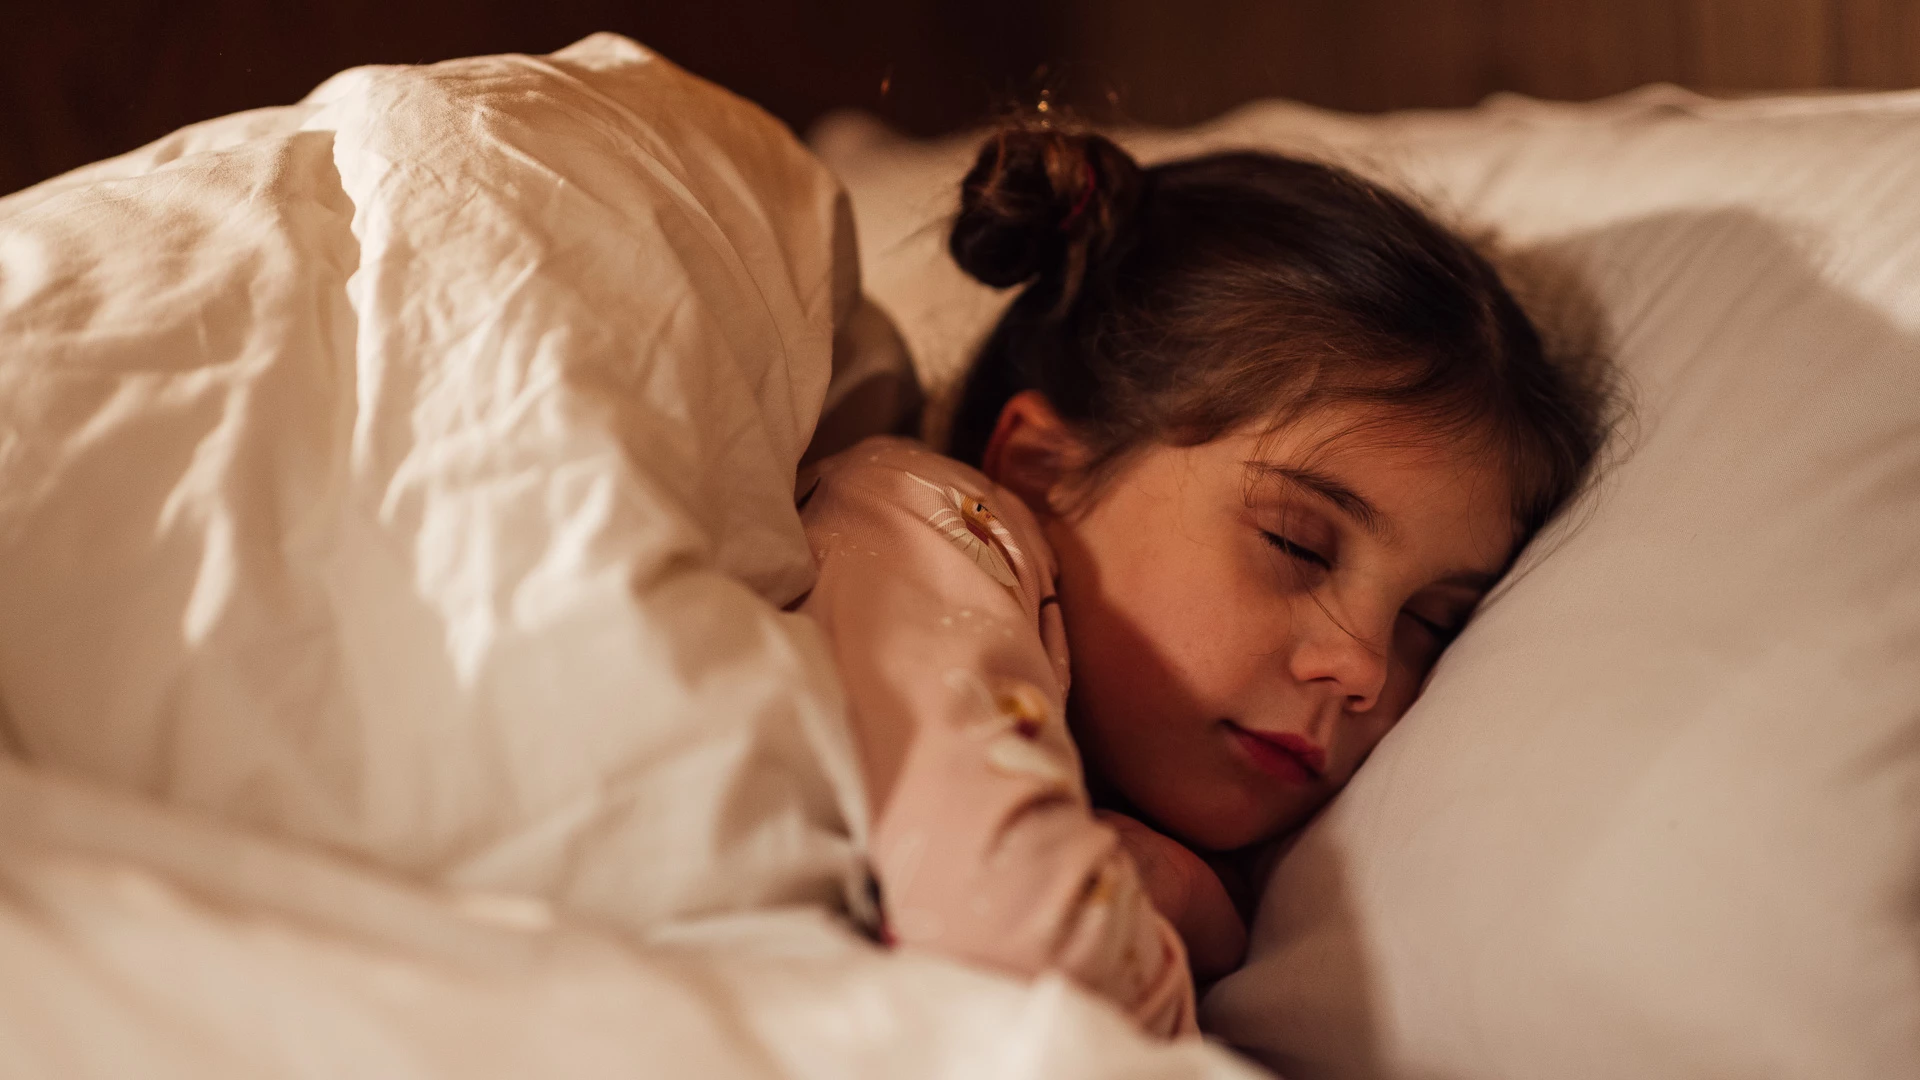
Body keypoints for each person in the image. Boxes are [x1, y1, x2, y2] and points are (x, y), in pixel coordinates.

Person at [793, 124, 1606, 1037]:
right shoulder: (921, 521)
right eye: (1299, 544)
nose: (1365, 667)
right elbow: (1007, 938)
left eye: (1433, 619)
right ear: (1039, 466)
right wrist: (1191, 916)